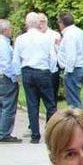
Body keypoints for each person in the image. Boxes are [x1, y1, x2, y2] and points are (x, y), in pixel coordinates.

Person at [13, 12, 58, 144]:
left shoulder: (20, 39)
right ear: (39, 24)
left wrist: (17, 75)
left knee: (32, 104)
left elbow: (16, 60)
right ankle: (53, 132)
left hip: (27, 71)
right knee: (50, 104)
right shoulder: (46, 38)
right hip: (43, 71)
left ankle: (34, 135)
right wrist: (50, 70)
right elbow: (53, 57)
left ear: (26, 24)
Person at [57, 12, 83, 109]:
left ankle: (77, 122)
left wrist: (67, 71)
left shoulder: (69, 35)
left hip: (73, 69)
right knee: (75, 98)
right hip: (79, 67)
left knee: (73, 102)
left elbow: (71, 55)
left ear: (62, 23)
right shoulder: (78, 31)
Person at [0, 19, 20, 143]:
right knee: (8, 104)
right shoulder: (3, 44)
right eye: (10, 28)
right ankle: (4, 133)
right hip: (5, 77)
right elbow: (6, 63)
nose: (11, 31)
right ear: (6, 30)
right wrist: (14, 78)